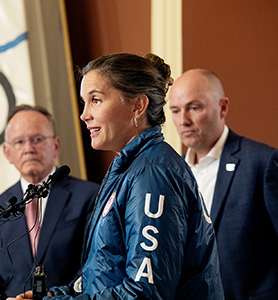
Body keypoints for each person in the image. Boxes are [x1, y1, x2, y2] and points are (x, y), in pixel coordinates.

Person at [15, 53, 224, 300]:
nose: (84, 115)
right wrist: (54, 297)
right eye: (85, 102)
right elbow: (101, 275)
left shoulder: (153, 175)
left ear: (138, 106)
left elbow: (145, 293)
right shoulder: (131, 168)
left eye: (95, 100)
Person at [168, 68, 278, 300]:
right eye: (175, 110)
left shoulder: (263, 164)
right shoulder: (170, 174)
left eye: (194, 108)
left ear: (223, 107)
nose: (183, 120)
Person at [0, 105, 100, 300]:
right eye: (19, 142)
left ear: (56, 145)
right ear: (8, 153)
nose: (29, 149)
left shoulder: (89, 196)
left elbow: (93, 265)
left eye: (37, 139)